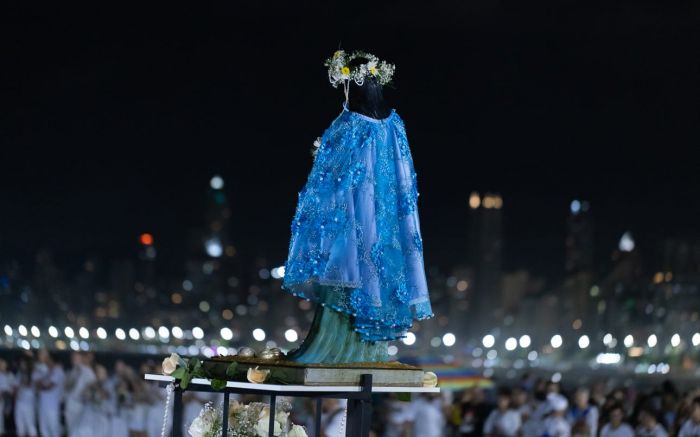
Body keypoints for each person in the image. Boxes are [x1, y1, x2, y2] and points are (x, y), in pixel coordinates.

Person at [282, 49, 433, 364]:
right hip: (385, 221)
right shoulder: (395, 125)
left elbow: (327, 179)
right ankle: (366, 350)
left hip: (353, 219)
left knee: (348, 273)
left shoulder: (348, 123)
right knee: (370, 277)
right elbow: (404, 180)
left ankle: (337, 349)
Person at [64, 352, 97, 436]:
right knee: (71, 430)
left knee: (79, 431)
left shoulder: (88, 372)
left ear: (81, 358)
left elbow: (92, 388)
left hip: (81, 405)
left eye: (76, 358)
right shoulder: (73, 371)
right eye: (73, 358)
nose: (74, 360)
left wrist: (86, 394)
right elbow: (67, 387)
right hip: (70, 403)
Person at [35, 349, 65, 437]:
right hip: (43, 405)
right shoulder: (45, 371)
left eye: (48, 360)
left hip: (53, 406)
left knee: (54, 429)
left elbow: (48, 387)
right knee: (43, 429)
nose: (46, 362)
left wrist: (40, 384)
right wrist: (40, 384)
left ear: (53, 361)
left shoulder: (58, 371)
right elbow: (37, 385)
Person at [14, 356, 38, 437]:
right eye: (21, 363)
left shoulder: (34, 373)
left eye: (23, 363)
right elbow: (16, 387)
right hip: (19, 402)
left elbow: (35, 386)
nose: (22, 365)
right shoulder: (19, 374)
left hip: (29, 403)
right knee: (20, 425)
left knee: (30, 425)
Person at [0, 359, 15, 437]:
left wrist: (4, 394)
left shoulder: (10, 375)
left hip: (6, 400)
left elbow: (13, 389)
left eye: (2, 363)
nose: (1, 365)